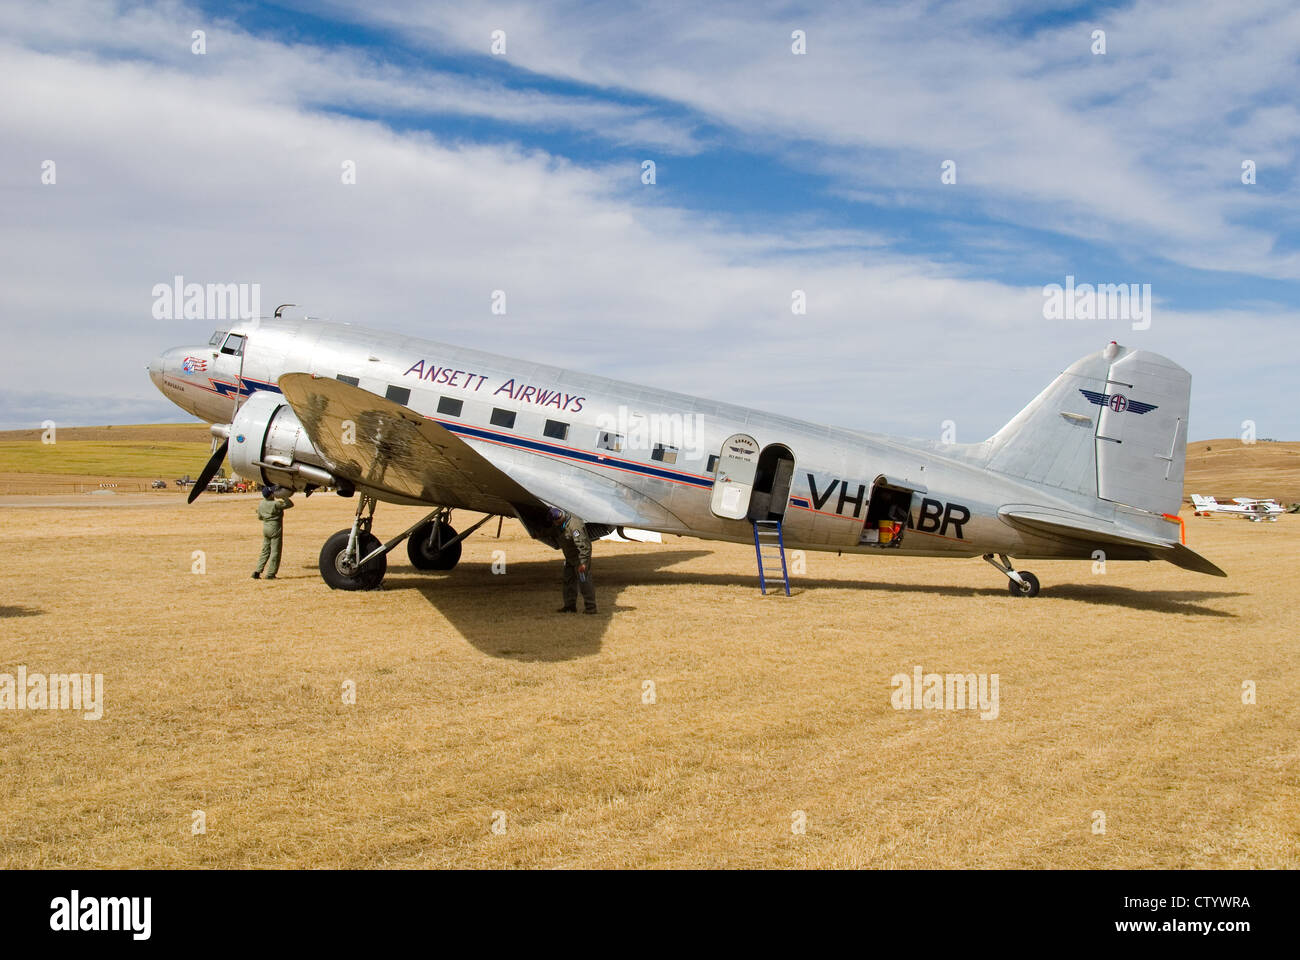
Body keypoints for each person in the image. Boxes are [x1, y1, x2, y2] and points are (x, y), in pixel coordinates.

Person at [548, 506, 596, 614]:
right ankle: (570, 606)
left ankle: (591, 607)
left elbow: (584, 546)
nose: (555, 525)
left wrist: (583, 563)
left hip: (579, 559)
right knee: (568, 580)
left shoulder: (575, 526)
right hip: (570, 558)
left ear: (559, 519)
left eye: (555, 522)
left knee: (584, 582)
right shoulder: (561, 523)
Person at [252, 485, 294, 580]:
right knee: (275, 551)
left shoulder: (261, 504)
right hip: (275, 528)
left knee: (265, 551)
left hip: (266, 528)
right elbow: (290, 504)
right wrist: (283, 496)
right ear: (270, 495)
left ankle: (257, 571)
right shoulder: (275, 504)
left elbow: (259, 517)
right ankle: (271, 574)